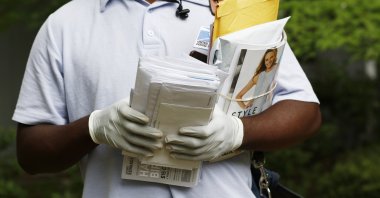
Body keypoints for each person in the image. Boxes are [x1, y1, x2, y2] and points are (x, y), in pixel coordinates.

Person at [13, 0, 321, 197]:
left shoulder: (232, 10)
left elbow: (305, 112)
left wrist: (237, 133)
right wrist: (95, 128)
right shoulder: (64, 25)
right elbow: (31, 153)